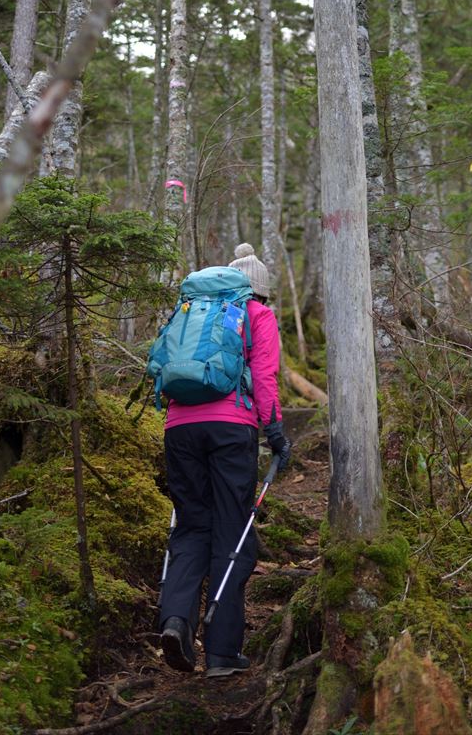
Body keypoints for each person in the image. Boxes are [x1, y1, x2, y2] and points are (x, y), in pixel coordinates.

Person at [159, 243, 292, 678]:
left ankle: (176, 622)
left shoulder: (192, 312)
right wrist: (274, 432)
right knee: (233, 532)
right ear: (260, 291)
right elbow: (266, 377)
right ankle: (220, 651)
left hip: (179, 427)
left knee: (192, 525)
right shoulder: (258, 316)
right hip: (231, 428)